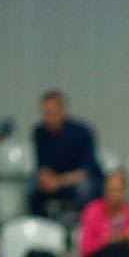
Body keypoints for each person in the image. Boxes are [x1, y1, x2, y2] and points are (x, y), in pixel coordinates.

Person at [29, 90, 100, 220]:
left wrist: (60, 181)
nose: (49, 117)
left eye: (53, 112)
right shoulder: (39, 132)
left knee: (86, 189)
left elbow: (86, 170)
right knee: (31, 188)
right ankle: (40, 225)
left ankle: (84, 224)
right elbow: (42, 164)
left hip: (76, 180)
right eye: (46, 113)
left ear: (63, 111)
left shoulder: (82, 132)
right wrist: (45, 178)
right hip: (55, 180)